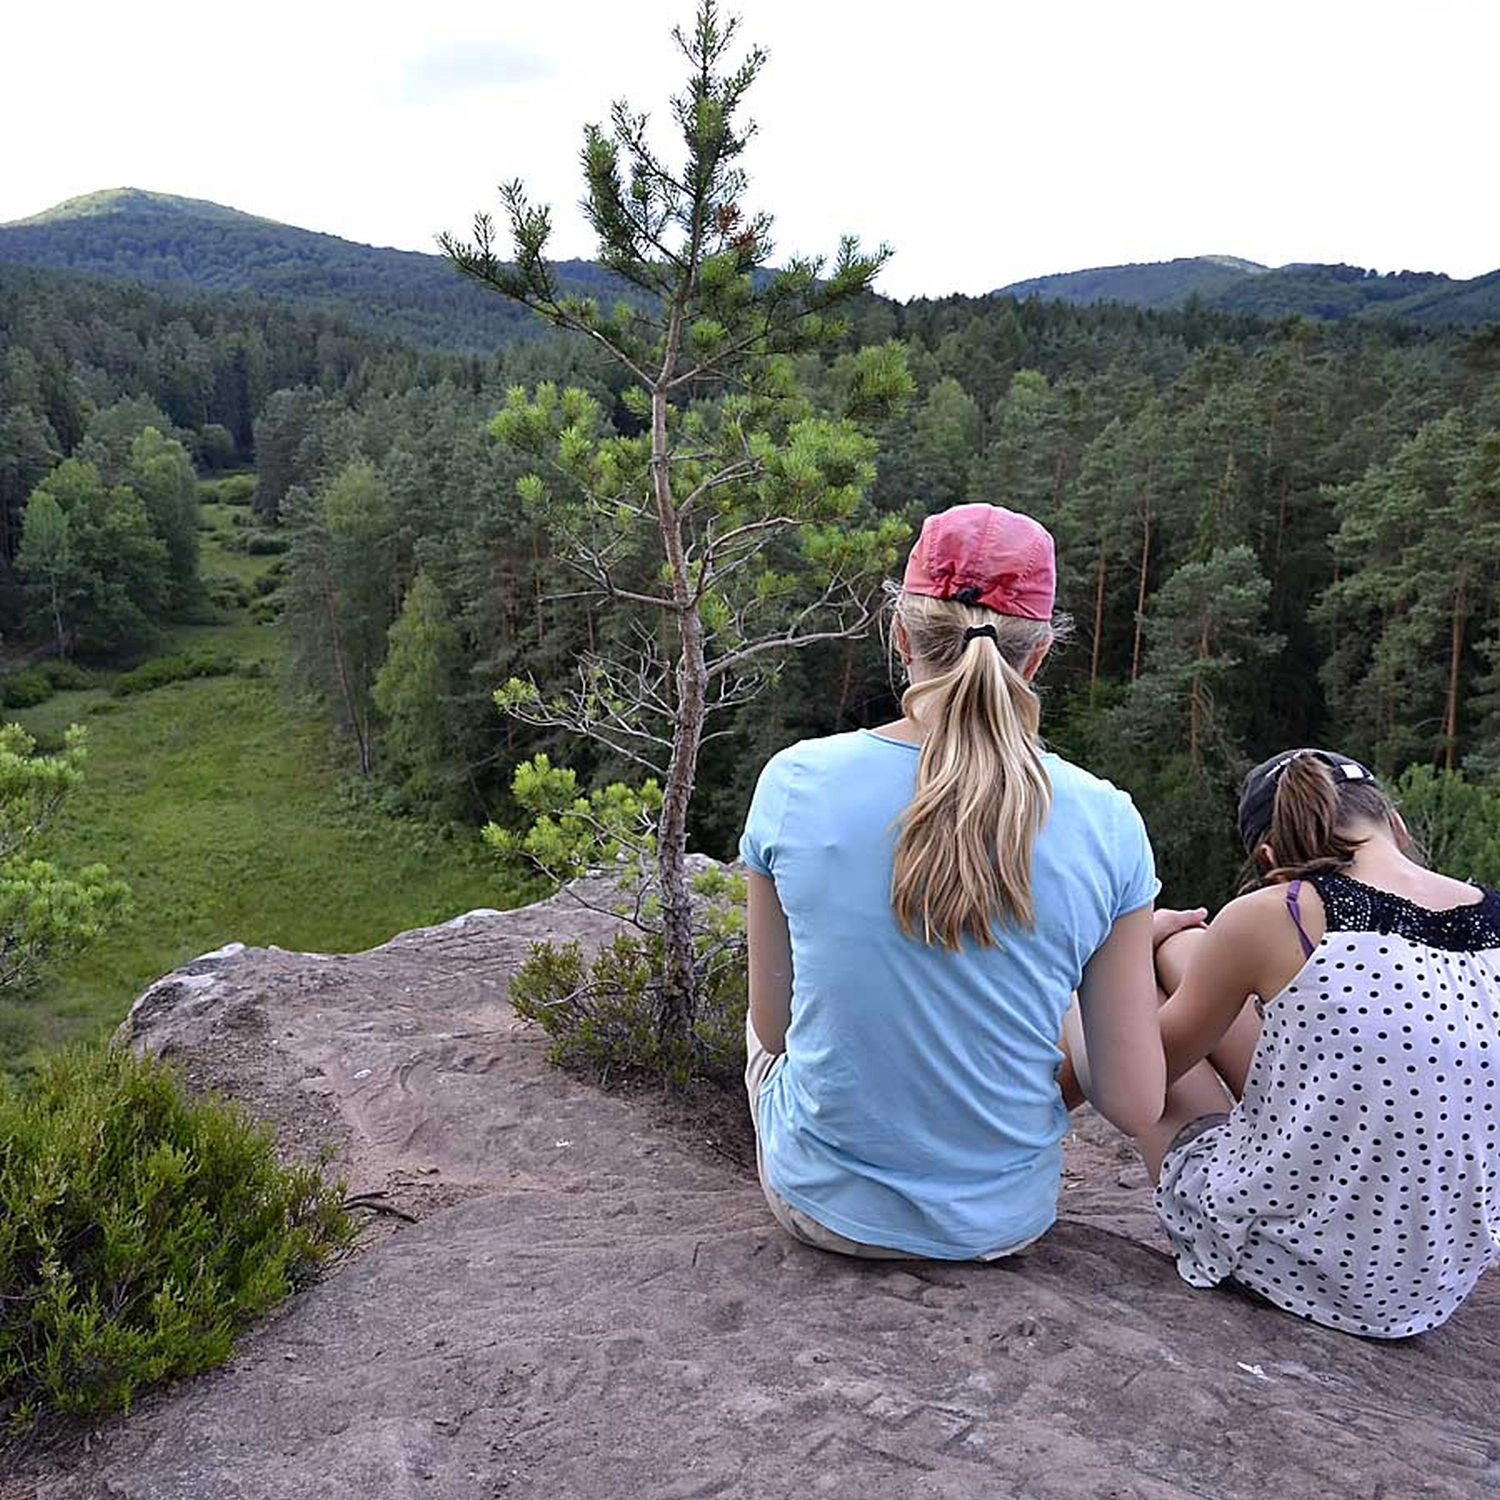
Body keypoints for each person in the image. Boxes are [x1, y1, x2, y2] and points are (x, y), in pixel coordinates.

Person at [739, 502, 1174, 1261]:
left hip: (823, 1210)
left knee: (765, 1022)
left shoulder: (796, 781)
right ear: (1037, 657)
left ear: (901, 635)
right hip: (1002, 1225)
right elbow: (1135, 1103)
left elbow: (775, 1031)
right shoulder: (1108, 822)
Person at [1114, 748, 1500, 1337]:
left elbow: (1134, 1079)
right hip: (1430, 1292)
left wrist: (1123, 959)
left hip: (1293, 1268)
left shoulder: (1282, 911)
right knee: (1193, 955)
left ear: (1270, 857)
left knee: (1154, 991)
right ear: (1393, 822)